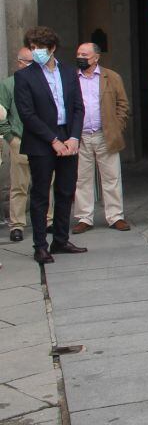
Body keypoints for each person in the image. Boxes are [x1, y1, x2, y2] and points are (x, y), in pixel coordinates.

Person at [14, 26, 85, 264]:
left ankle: (61, 239)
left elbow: (78, 107)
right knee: (41, 193)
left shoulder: (68, 72)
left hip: (67, 135)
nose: (36, 52)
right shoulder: (24, 76)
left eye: (40, 48)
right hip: (41, 139)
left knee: (66, 190)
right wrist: (52, 140)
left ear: (52, 48)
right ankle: (40, 245)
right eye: (33, 48)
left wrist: (74, 137)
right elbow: (27, 113)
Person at [71, 42, 131, 233]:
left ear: (96, 57)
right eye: (79, 54)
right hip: (81, 136)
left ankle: (115, 216)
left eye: (85, 55)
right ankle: (84, 218)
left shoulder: (111, 77)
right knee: (82, 179)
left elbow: (122, 104)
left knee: (111, 177)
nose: (80, 57)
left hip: (105, 135)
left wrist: (117, 126)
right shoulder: (71, 78)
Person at [0, 47, 49, 243]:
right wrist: (10, 137)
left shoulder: (44, 81)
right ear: (19, 63)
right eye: (27, 62)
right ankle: (17, 224)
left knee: (47, 183)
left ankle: (48, 220)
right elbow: (1, 112)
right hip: (19, 139)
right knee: (19, 185)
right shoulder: (8, 84)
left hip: (43, 140)